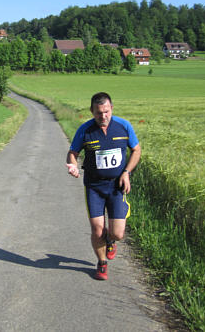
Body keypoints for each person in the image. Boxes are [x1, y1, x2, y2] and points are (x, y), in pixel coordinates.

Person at [66, 92, 141, 280]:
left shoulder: (124, 126)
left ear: (111, 108)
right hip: (94, 187)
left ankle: (110, 240)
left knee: (118, 233)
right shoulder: (85, 130)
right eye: (99, 113)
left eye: (106, 112)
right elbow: (73, 152)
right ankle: (101, 263)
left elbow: (136, 150)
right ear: (92, 111)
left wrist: (127, 173)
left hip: (117, 187)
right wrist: (73, 165)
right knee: (97, 229)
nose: (103, 116)